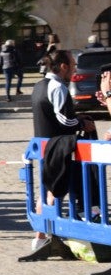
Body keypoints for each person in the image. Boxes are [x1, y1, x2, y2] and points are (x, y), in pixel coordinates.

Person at [26, 50, 94, 254]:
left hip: (45, 145)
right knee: (54, 193)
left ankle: (41, 236)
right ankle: (42, 237)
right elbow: (64, 120)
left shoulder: (39, 86)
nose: (74, 68)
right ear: (63, 66)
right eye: (72, 64)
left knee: (47, 191)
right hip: (58, 147)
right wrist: (82, 122)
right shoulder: (58, 87)